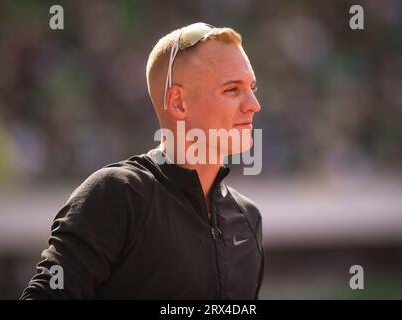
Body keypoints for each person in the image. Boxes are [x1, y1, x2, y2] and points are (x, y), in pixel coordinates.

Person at [20, 22, 264, 299]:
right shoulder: (117, 194)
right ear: (179, 103)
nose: (253, 104)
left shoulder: (248, 218)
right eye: (232, 89)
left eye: (252, 88)